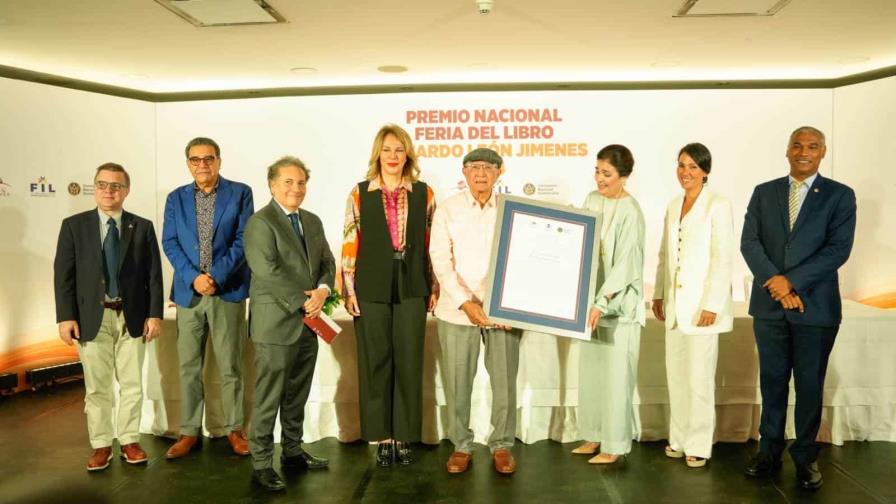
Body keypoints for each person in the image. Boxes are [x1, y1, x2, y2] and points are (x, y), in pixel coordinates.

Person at [741, 126, 856, 490]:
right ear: (787, 150)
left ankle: (806, 459)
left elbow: (837, 250)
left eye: (812, 146)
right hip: (770, 308)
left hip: (815, 308)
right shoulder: (765, 192)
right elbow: (750, 242)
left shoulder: (840, 196)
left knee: (809, 385)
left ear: (823, 152)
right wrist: (776, 283)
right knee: (772, 382)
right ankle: (769, 452)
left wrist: (790, 282)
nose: (803, 151)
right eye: (797, 145)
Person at [54, 162, 163, 471]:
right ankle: (101, 444)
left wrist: (154, 314)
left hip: (132, 317)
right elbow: (63, 276)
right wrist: (65, 317)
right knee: (97, 387)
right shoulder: (74, 226)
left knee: (132, 385)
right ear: (94, 188)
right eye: (102, 184)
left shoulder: (141, 227)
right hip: (92, 317)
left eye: (115, 186)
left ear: (126, 191)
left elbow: (153, 275)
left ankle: (129, 440)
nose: (108, 191)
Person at [341, 124, 437, 467]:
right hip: (371, 282)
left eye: (399, 149)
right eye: (387, 150)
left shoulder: (424, 193)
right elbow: (350, 241)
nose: (393, 156)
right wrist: (349, 288)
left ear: (407, 153)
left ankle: (404, 434)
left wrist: (434, 284)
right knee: (376, 359)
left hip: (412, 281)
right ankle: (382, 435)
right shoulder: (359, 192)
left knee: (409, 359)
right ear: (377, 154)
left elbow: (431, 244)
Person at [244, 156, 336, 492]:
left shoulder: (311, 221)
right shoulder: (260, 223)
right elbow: (266, 270)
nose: (296, 188)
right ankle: (262, 463)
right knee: (270, 396)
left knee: (297, 393)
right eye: (288, 182)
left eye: (300, 182)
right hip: (276, 323)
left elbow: (327, 261)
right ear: (272, 185)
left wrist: (324, 290)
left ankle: (293, 451)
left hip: (308, 323)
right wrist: (304, 300)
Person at [430, 147, 522, 475]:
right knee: (457, 381)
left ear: (500, 172)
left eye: (487, 167)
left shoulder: (513, 210)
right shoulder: (448, 209)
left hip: (503, 311)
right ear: (464, 173)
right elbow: (440, 259)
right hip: (457, 311)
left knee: (504, 381)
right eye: (473, 167)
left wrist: (512, 302)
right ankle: (461, 445)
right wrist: (465, 301)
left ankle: (502, 445)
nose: (480, 173)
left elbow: (523, 258)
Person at [162, 137, 254, 459]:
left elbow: (244, 240)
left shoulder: (240, 193)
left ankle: (234, 429)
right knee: (188, 366)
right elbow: (170, 242)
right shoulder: (175, 198)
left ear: (219, 160)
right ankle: (188, 432)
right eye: (195, 159)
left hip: (226, 290)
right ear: (188, 163)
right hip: (189, 294)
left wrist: (215, 276)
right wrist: (195, 278)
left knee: (230, 366)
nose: (202, 164)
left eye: (208, 158)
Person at [652, 143, 734, 468]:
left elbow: (723, 257)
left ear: (705, 171)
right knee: (677, 377)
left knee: (700, 379)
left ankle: (698, 443)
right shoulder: (673, 206)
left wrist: (713, 303)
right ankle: (679, 437)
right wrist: (659, 294)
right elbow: (664, 254)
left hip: (703, 309)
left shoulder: (718, 204)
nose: (686, 172)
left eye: (693, 167)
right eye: (681, 165)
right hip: (675, 308)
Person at [572, 144, 646, 464]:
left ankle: (614, 446)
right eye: (597, 171)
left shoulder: (632, 211)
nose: (600, 179)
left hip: (618, 308)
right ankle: (592, 434)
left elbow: (626, 265)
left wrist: (602, 302)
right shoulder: (591, 199)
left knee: (617, 377)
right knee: (591, 374)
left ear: (624, 177)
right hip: (590, 305)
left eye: (607, 174)